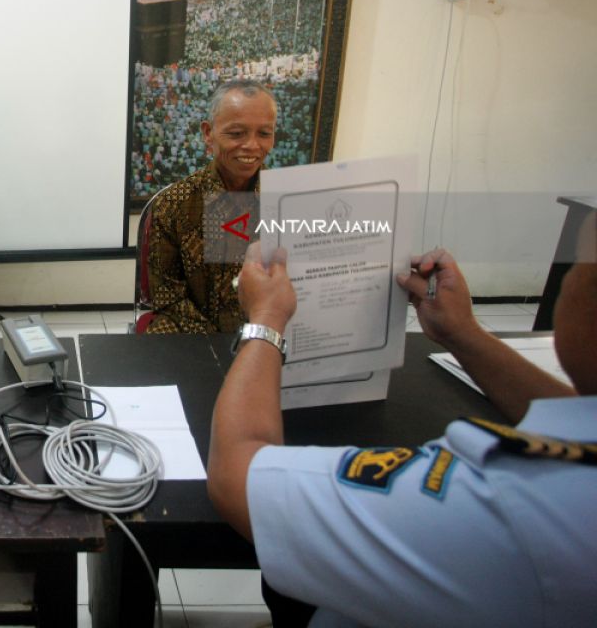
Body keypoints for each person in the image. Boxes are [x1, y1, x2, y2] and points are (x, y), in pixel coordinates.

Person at [207, 224, 597, 627]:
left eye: (578, 267)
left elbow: (238, 477)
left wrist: (267, 318)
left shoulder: (498, 498)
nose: (566, 281)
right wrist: (463, 334)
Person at [145, 79, 276, 334]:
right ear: (208, 132)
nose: (252, 145)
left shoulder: (287, 201)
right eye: (236, 133)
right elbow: (169, 297)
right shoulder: (174, 204)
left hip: (267, 331)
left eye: (264, 133)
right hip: (189, 329)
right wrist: (218, 347)